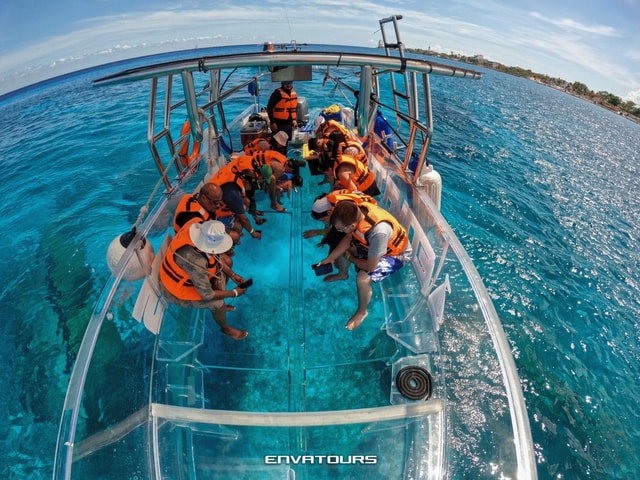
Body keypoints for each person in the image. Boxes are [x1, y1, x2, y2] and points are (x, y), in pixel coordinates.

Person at [316, 200, 412, 330]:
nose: (339, 231)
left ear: (352, 225)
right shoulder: (357, 212)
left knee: (362, 278)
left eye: (340, 229)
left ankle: (362, 312)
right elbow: (348, 238)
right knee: (346, 248)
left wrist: (351, 257)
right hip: (377, 245)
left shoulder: (378, 233)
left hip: (397, 254)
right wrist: (330, 257)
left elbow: (370, 267)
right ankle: (342, 274)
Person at [159, 220, 250, 340]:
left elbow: (214, 255)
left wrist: (232, 275)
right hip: (173, 290)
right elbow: (207, 295)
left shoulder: (196, 228)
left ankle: (221, 304)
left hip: (190, 275)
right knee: (217, 303)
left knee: (227, 262)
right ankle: (225, 328)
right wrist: (234, 293)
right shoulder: (195, 260)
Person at [305, 190, 377, 282]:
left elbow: (348, 237)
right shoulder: (333, 202)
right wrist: (332, 257)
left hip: (370, 230)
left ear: (330, 211)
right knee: (337, 252)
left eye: (324, 220)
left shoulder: (346, 216)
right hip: (364, 214)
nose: (325, 222)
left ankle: (342, 275)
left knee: (344, 252)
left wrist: (318, 232)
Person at [209, 155, 270, 242]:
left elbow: (249, 198)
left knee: (246, 202)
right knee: (239, 228)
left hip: (225, 199)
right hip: (215, 215)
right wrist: (253, 233)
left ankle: (233, 222)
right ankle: (230, 238)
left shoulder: (242, 168)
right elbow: (243, 218)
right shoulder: (233, 192)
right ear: (246, 180)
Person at [267, 81, 298, 148]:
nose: (288, 85)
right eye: (286, 83)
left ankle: (284, 157)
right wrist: (272, 122)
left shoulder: (293, 93)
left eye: (290, 83)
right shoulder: (277, 93)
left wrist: (294, 119)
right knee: (278, 144)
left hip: (289, 123)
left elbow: (295, 108)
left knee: (287, 142)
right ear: (282, 83)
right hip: (279, 124)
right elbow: (269, 107)